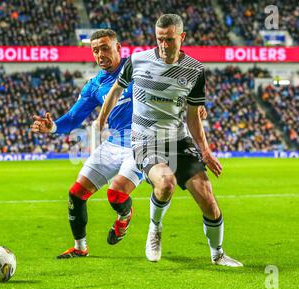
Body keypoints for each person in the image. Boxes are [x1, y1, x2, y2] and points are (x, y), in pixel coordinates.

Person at [97, 14, 242, 267]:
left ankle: (217, 253)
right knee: (165, 183)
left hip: (178, 139)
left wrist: (205, 151)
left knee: (207, 197)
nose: (164, 45)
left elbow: (193, 115)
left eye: (170, 40)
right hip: (145, 140)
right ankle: (155, 228)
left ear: (182, 37)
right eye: (159, 39)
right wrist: (100, 122)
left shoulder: (195, 70)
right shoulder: (138, 60)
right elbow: (116, 90)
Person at [30, 29, 142, 259]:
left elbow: (171, 70)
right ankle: (80, 248)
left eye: (104, 48)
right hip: (113, 144)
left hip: (143, 143)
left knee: (116, 195)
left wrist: (195, 103)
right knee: (76, 194)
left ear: (118, 48)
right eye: (95, 50)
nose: (100, 54)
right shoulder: (94, 85)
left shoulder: (138, 66)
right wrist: (51, 127)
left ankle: (124, 216)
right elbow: (72, 119)